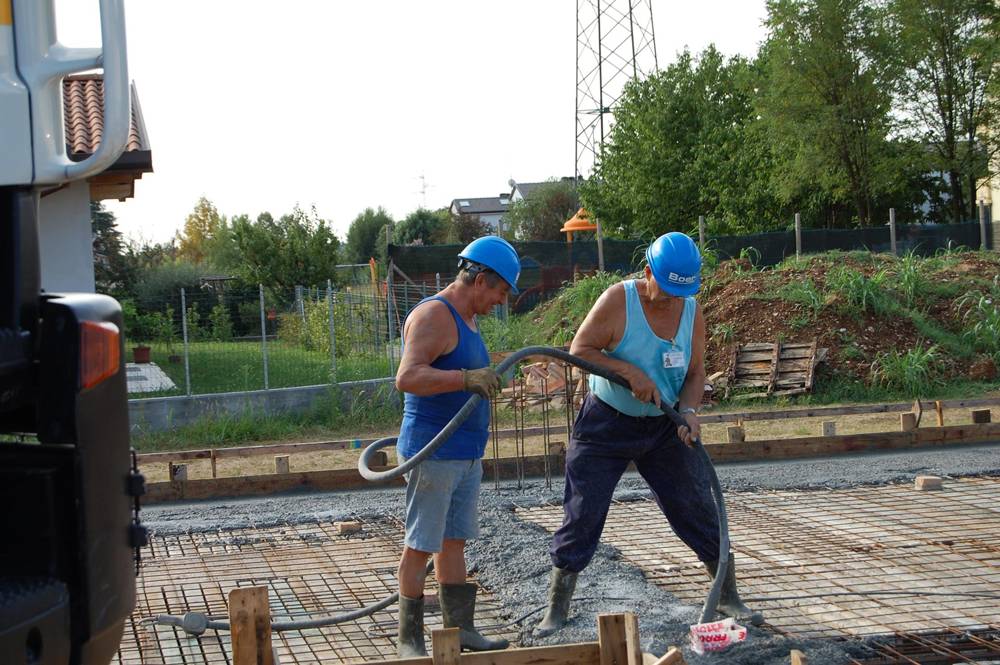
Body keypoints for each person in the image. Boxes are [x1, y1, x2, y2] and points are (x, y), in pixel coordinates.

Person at [533, 231, 763, 638]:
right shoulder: (618, 301)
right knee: (583, 513)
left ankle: (727, 595)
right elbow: (581, 350)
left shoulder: (691, 311)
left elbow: (694, 374)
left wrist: (689, 411)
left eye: (681, 291)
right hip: (606, 422)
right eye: (666, 288)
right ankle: (557, 607)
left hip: (663, 425)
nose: (672, 298)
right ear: (647, 272)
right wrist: (630, 373)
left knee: (695, 506)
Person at [393, 235, 521, 657]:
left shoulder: (467, 319)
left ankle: (460, 629)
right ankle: (409, 638)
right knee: (421, 544)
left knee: (453, 543)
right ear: (480, 279)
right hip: (434, 452)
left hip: (465, 454)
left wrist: (479, 378)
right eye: (500, 291)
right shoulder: (435, 315)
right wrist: (464, 379)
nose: (501, 301)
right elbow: (408, 377)